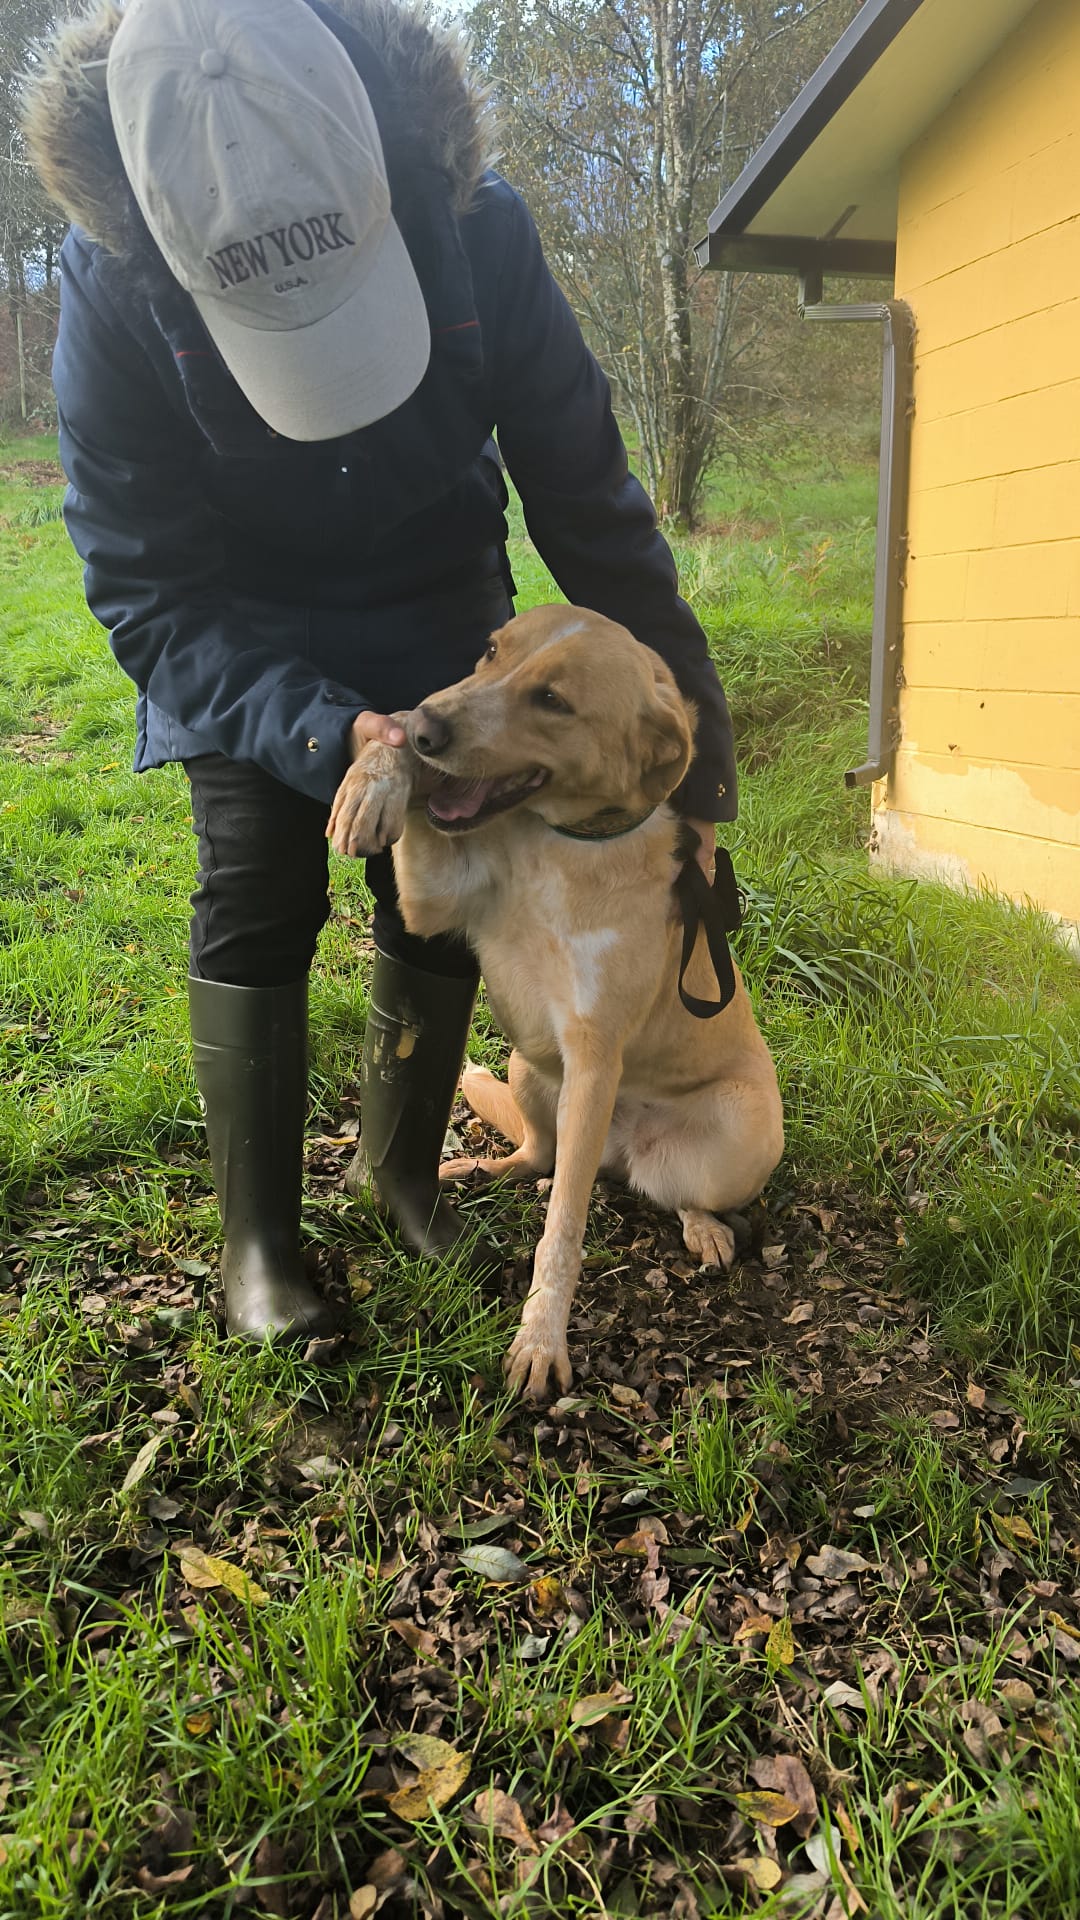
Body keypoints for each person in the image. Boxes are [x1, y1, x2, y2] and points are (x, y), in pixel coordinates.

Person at [22, 0, 738, 1347]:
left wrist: (699, 780)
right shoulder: (115, 287)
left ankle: (400, 1173)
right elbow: (148, 589)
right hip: (238, 620)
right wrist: (317, 731)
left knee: (451, 866)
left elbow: (594, 511)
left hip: (434, 595)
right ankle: (258, 1245)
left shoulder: (479, 226)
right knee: (258, 883)